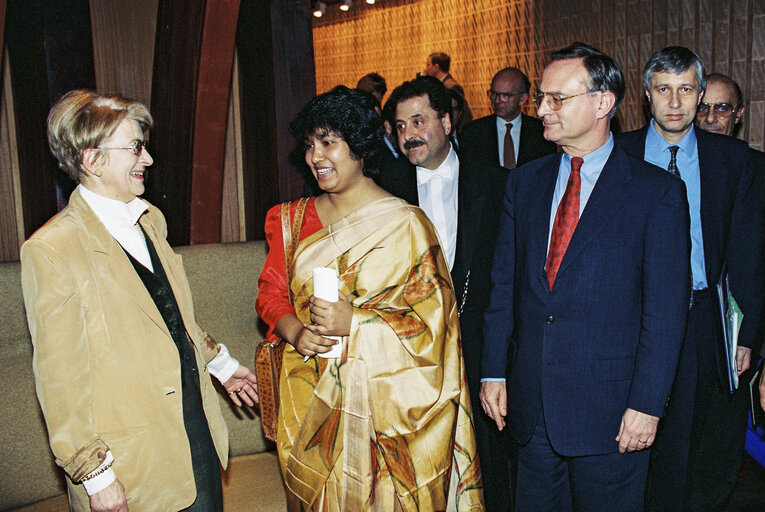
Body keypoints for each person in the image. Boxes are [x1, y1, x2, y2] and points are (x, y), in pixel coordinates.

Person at [21, 90, 259, 512]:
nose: (147, 159)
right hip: (131, 463)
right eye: (135, 148)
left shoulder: (150, 219)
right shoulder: (52, 249)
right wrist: (96, 476)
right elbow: (59, 380)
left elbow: (175, 318)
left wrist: (221, 366)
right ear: (92, 160)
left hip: (195, 432)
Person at [480, 42, 691, 511]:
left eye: (557, 99)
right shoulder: (524, 183)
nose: (541, 109)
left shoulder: (656, 194)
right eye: (541, 97)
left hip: (612, 414)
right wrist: (494, 370)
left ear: (603, 103)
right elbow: (503, 288)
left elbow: (665, 314)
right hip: (531, 409)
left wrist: (648, 405)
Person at [255, 85, 483, 511]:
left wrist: (356, 324)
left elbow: (435, 325)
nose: (315, 156)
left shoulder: (407, 224)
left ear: (360, 147)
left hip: (389, 410)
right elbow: (271, 293)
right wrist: (295, 331)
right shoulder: (290, 219)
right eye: (309, 145)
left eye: (328, 143)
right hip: (309, 396)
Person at [617, 47, 765, 512]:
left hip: (705, 318)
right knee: (644, 440)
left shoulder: (732, 159)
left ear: (700, 94)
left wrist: (747, 335)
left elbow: (747, 251)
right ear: (647, 96)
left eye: (686, 90)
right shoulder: (618, 155)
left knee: (706, 440)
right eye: (664, 89)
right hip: (635, 319)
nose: (675, 102)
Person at [379, 75, 509, 511]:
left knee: (489, 467)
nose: (408, 134)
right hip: (410, 355)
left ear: (448, 122)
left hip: (481, 346)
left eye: (418, 121)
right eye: (399, 126)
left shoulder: (496, 184)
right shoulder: (383, 188)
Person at [460, 67, 557, 170]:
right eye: (493, 94)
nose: (497, 100)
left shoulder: (542, 132)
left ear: (522, 99)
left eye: (505, 96)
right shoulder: (473, 132)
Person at [423, 52, 473, 130]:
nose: (425, 69)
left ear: (436, 67)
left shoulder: (450, 86)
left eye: (428, 65)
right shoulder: (441, 85)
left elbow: (463, 114)